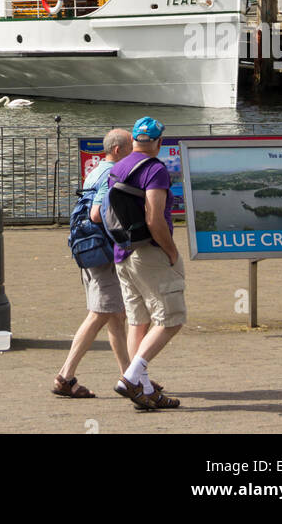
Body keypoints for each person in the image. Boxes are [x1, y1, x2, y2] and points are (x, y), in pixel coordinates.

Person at [107, 116, 184, 411]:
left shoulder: (119, 167)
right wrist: (171, 251)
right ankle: (130, 378)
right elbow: (155, 217)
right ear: (159, 143)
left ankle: (144, 389)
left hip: (122, 253)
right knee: (171, 318)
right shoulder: (155, 170)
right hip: (150, 253)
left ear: (135, 141)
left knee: (138, 322)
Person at [53, 128, 134, 399]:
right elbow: (98, 214)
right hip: (103, 253)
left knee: (115, 315)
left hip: (87, 249)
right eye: (131, 147)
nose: (134, 151)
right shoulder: (112, 175)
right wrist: (123, 237)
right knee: (99, 313)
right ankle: (65, 376)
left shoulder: (95, 170)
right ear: (117, 150)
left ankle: (130, 376)